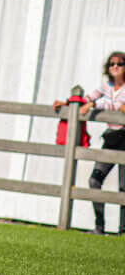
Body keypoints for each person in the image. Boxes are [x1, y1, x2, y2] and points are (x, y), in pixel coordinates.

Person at [56, 51, 125, 235]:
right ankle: (99, 226)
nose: (115, 67)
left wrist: (94, 105)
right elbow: (88, 99)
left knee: (123, 187)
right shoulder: (107, 86)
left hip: (124, 138)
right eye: (112, 64)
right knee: (95, 179)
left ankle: (123, 230)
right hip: (111, 137)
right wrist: (68, 103)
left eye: (120, 63)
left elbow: (120, 107)